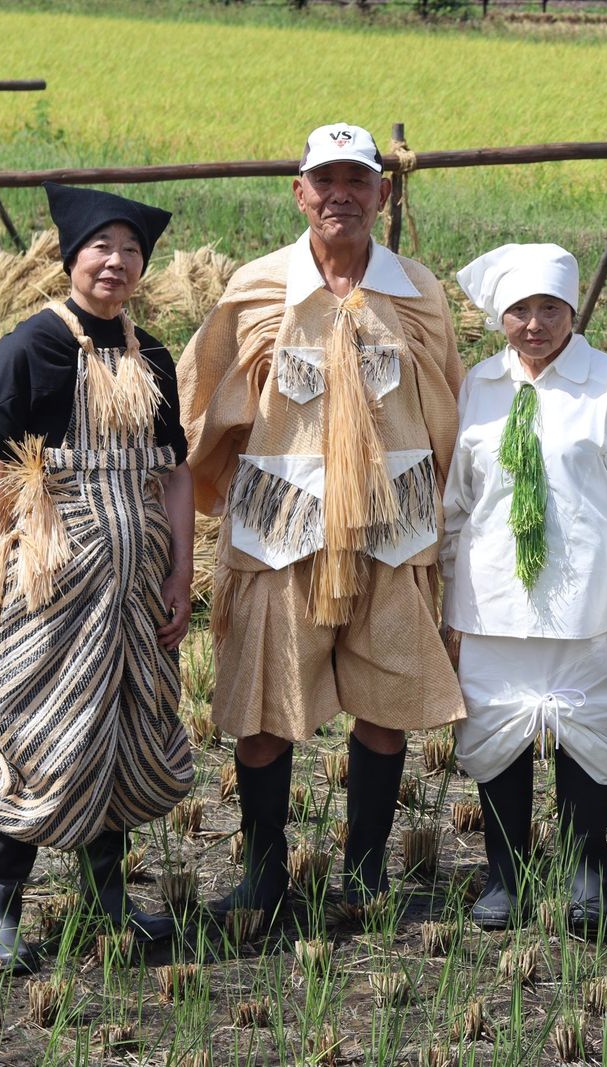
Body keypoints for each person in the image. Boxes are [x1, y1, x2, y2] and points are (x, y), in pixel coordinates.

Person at [177, 124, 465, 918]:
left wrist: (451, 513)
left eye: (357, 180)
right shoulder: (258, 287)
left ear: (382, 192)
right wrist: (212, 485)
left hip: (393, 521)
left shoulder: (418, 291)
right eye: (325, 180)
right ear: (299, 192)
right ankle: (265, 873)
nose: (341, 194)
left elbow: (448, 403)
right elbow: (201, 400)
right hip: (281, 522)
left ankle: (366, 873)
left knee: (386, 702)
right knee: (264, 704)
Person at [0, 182, 195, 973]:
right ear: (71, 257)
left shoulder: (151, 355)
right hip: (52, 583)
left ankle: (107, 900)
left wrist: (180, 571)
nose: (116, 262)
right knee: (32, 727)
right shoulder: (29, 348)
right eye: (102, 247)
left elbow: (175, 472)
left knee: (117, 729)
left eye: (131, 250)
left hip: (134, 587)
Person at [441, 243, 607, 931]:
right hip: (493, 601)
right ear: (499, 317)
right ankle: (505, 874)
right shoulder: (479, 386)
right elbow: (457, 506)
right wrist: (448, 600)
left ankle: (588, 871)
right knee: (495, 732)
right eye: (519, 309)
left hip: (589, 603)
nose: (534, 324)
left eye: (550, 308)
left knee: (592, 733)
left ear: (573, 311)